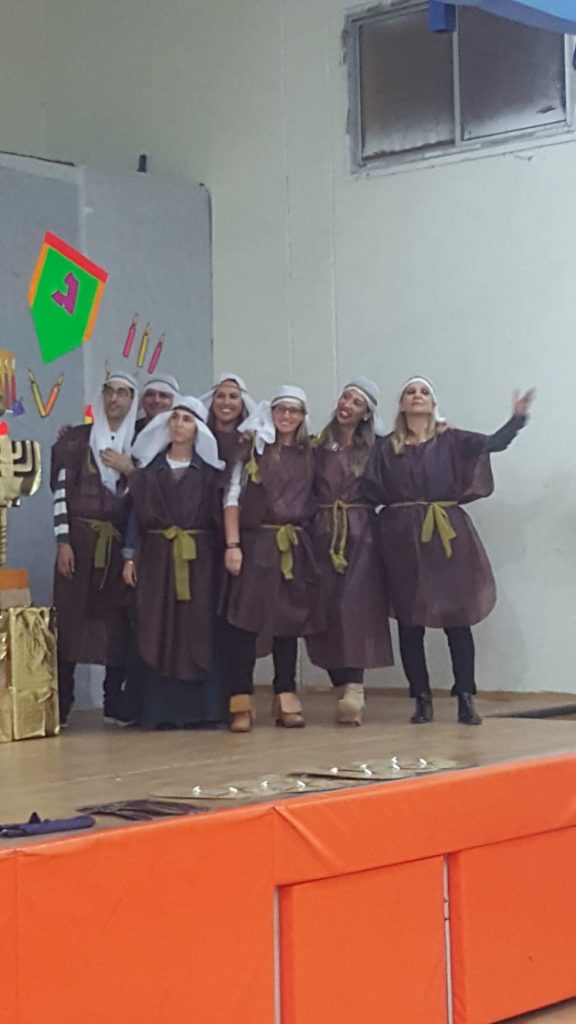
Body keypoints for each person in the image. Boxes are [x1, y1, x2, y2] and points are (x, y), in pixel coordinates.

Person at [362, 376, 535, 726]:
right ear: (401, 404)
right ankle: (422, 698)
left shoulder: (452, 439)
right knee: (410, 620)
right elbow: (366, 483)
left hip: (446, 536)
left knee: (457, 617)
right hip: (401, 539)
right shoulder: (386, 447)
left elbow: (494, 443)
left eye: (424, 392)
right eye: (410, 392)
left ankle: (466, 697)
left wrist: (517, 418)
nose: (417, 396)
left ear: (433, 402)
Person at [121, 397, 225, 729]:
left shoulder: (210, 475)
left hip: (199, 560)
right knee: (157, 626)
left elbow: (220, 521)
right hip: (156, 558)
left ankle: (201, 711)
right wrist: (129, 556)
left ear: (198, 430)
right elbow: (136, 515)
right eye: (175, 418)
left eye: (187, 419)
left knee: (197, 628)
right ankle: (159, 711)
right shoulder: (149, 473)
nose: (179, 424)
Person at [222, 386, 320, 732]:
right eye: (281, 410)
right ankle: (241, 699)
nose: (287, 416)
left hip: (292, 543)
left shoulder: (310, 453)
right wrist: (233, 544)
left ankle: (285, 695)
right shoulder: (251, 449)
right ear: (271, 412)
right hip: (256, 541)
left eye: (294, 411)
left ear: (302, 416)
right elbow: (232, 496)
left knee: (287, 622)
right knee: (245, 621)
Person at [51, 371, 138, 725]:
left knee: (118, 622)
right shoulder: (76, 440)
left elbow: (147, 495)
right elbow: (60, 493)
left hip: (119, 546)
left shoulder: (142, 442)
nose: (114, 398)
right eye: (109, 391)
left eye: (122, 392)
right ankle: (63, 701)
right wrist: (63, 542)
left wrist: (130, 470)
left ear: (132, 398)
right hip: (80, 543)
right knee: (70, 618)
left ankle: (113, 700)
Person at [306, 378, 394, 725]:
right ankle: (341, 684)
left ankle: (355, 686)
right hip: (321, 532)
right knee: (323, 608)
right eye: (346, 397)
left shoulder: (376, 449)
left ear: (366, 414)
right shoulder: (317, 446)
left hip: (360, 533)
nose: (347, 405)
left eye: (357, 403)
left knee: (354, 609)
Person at [200, 372, 257, 465]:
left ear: (243, 402)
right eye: (220, 396)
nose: (226, 402)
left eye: (233, 397)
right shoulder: (199, 437)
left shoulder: (252, 444)